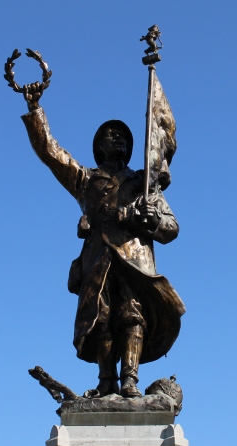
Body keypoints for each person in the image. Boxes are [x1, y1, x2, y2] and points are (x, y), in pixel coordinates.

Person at [20, 103, 185, 398]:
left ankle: (129, 381)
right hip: (98, 258)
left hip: (134, 260)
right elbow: (51, 153)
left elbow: (171, 228)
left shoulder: (144, 184)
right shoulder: (86, 181)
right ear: (98, 146)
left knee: (132, 316)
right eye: (109, 135)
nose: (116, 137)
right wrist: (35, 111)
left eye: (121, 135)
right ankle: (106, 382)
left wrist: (150, 219)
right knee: (101, 318)